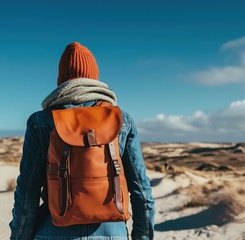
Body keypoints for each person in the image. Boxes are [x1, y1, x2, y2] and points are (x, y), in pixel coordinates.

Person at [9, 42, 155, 240]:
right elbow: (142, 193)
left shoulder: (41, 121)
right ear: (94, 78)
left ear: (61, 80)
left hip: (52, 233)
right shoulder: (122, 120)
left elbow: (27, 194)